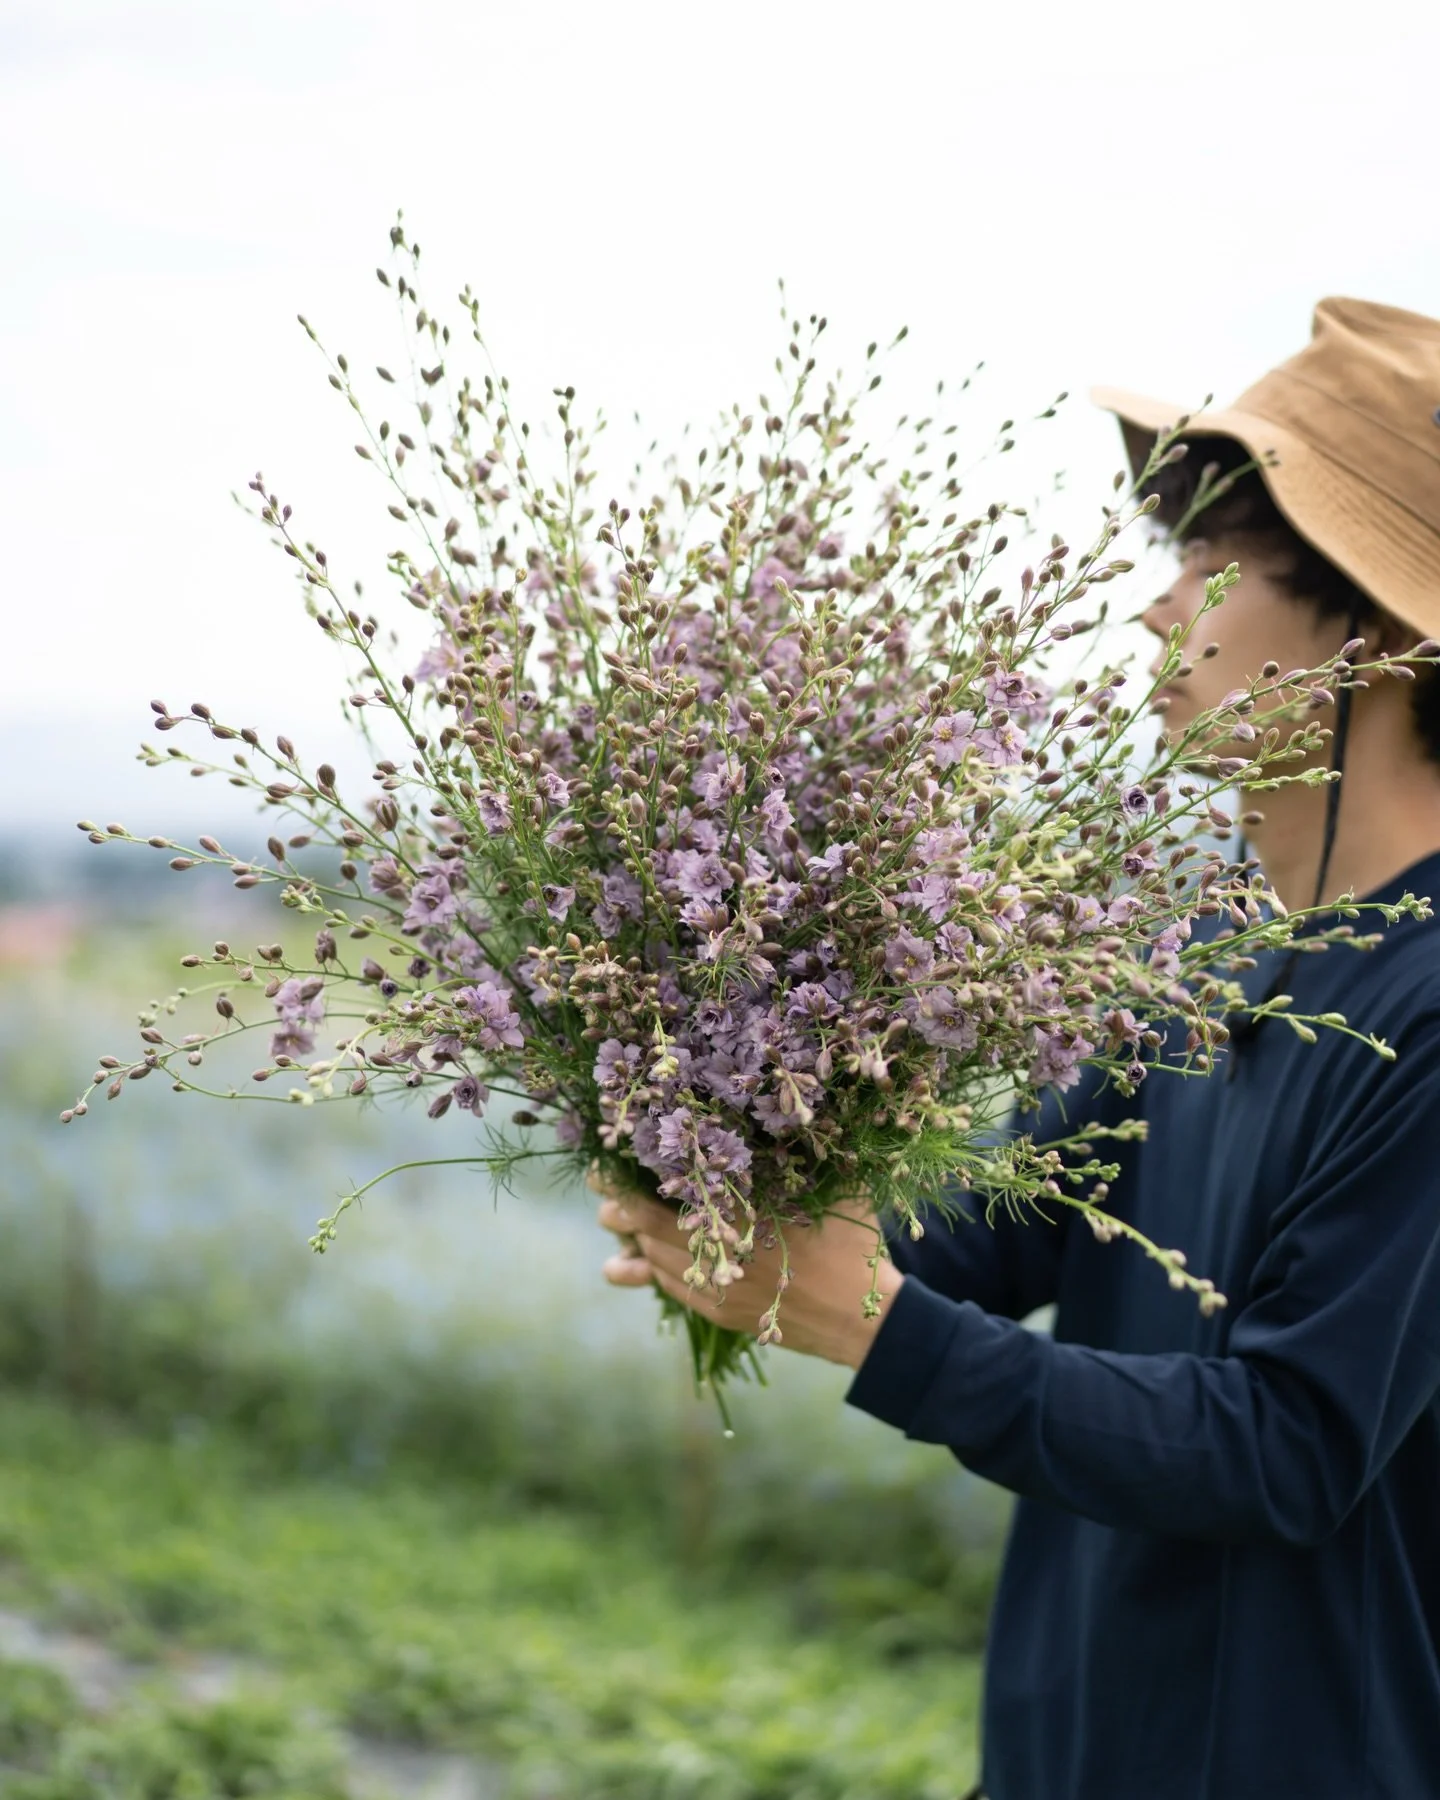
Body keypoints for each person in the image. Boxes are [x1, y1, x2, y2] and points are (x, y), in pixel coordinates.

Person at [594, 298, 1440, 1800]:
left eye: (1214, 563)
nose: (1154, 609)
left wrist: (870, 1326)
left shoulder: (1428, 1014)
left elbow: (1287, 1446)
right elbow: (1002, 1225)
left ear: (1367, 631)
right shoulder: (1209, 949)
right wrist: (736, 1143)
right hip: (1063, 1744)